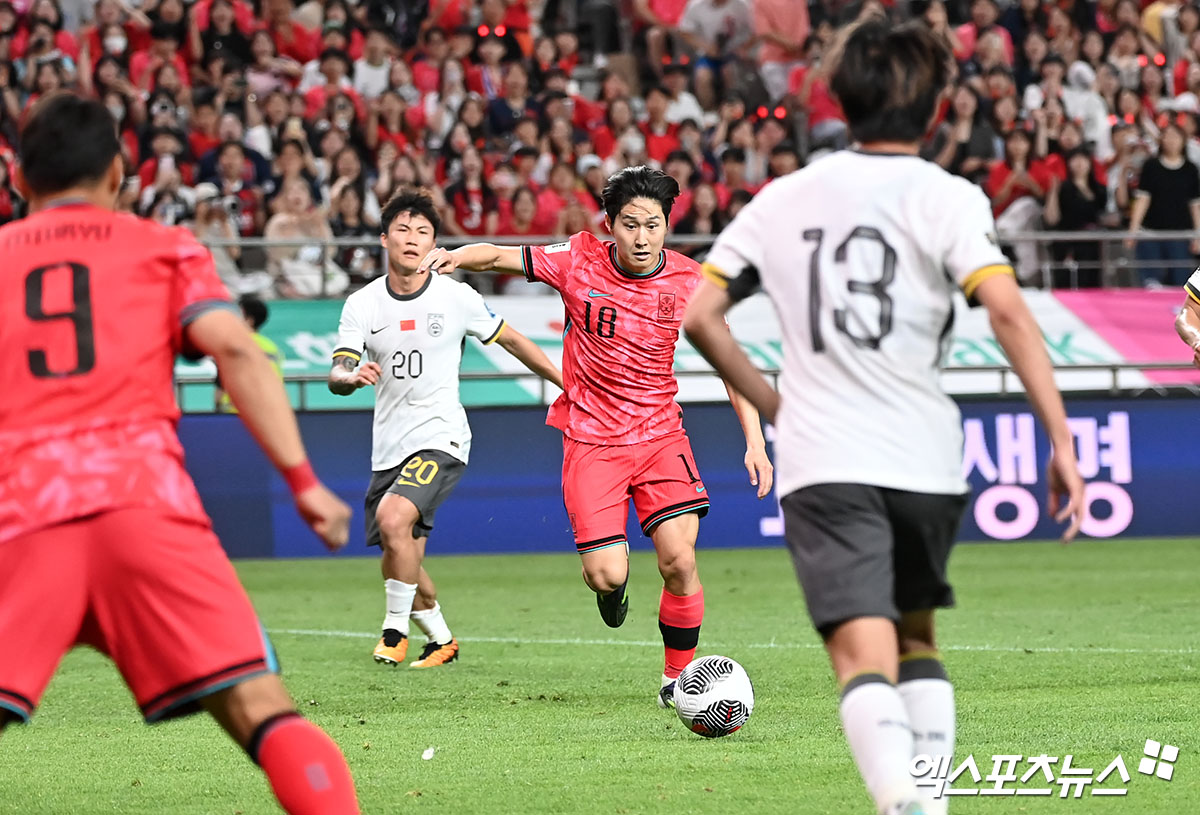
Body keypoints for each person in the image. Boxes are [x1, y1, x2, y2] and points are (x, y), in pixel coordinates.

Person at [682, 21, 1085, 815]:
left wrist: (772, 403)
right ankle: (926, 801)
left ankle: (903, 800)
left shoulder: (782, 199)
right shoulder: (951, 196)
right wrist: (1062, 438)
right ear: (935, 110)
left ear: (839, 100)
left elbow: (700, 315)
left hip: (824, 456)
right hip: (923, 456)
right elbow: (1007, 312)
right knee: (916, 640)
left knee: (859, 657)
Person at [0, 93, 359, 815]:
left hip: (21, 514)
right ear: (119, 173)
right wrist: (303, 480)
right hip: (145, 506)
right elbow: (234, 349)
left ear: (19, 177)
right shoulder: (163, 247)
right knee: (263, 707)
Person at [418, 166, 774, 707]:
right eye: (630, 224)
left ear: (666, 226)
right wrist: (456, 256)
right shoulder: (578, 260)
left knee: (680, 559)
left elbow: (733, 367)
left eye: (652, 225)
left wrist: (755, 441)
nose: (641, 237)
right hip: (591, 441)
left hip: (659, 436)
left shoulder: (688, 284)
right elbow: (499, 256)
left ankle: (675, 680)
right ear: (610, 225)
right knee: (606, 575)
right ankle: (615, 591)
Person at [328, 188, 562, 668]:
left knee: (395, 521)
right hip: (387, 447)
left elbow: (513, 340)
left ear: (434, 243)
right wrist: (349, 378)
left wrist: (566, 383)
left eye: (423, 232)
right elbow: (339, 370)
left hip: (442, 437)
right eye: (402, 230)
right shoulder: (363, 304)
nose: (412, 239)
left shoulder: (456, 296)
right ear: (384, 238)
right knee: (399, 553)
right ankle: (442, 641)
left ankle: (394, 633)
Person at [216, 295, 284, 412]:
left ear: (249, 321)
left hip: (233, 414)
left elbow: (221, 383)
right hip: (268, 413)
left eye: (237, 315)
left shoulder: (233, 344)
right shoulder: (272, 347)